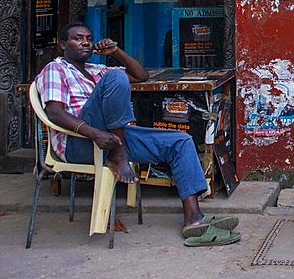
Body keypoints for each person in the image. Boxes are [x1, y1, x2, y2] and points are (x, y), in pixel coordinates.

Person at [35, 21, 239, 245]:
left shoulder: (96, 70)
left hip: (113, 139)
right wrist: (95, 134)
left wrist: (116, 52)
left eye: (88, 39)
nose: (85, 43)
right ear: (63, 44)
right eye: (77, 38)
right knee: (116, 78)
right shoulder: (56, 68)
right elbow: (54, 113)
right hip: (80, 143)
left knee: (180, 141)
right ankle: (118, 156)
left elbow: (141, 76)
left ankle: (193, 219)